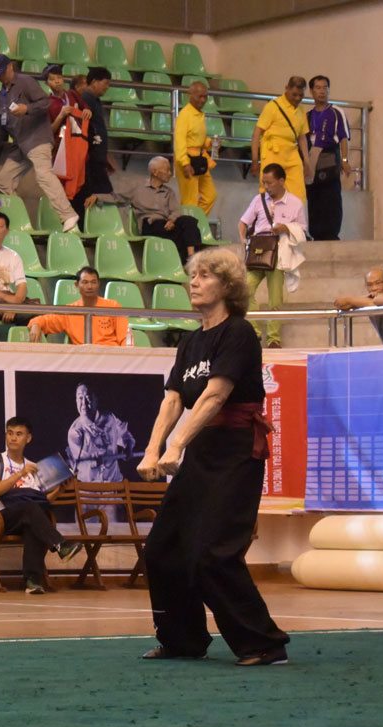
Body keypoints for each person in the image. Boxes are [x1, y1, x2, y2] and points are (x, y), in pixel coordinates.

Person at [137, 247, 290, 666]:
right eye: (194, 275)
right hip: (203, 451)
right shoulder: (191, 341)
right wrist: (152, 450)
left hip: (237, 452)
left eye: (205, 275)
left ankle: (263, 643)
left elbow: (215, 395)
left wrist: (175, 446)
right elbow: (173, 400)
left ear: (227, 286)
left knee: (215, 553)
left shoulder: (238, 333)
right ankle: (181, 639)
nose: (195, 281)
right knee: (163, 548)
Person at [0, 415, 82, 594]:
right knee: (30, 510)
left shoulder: (34, 466)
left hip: (27, 516)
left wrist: (60, 490)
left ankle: (32, 581)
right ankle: (60, 545)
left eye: (19, 434)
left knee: (34, 517)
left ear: (28, 438)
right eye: (10, 433)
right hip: (0, 518)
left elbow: (41, 501)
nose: (13, 438)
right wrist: (20, 474)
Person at [0, 54, 79, 232]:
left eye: (1, 72)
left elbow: (45, 102)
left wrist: (27, 109)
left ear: (10, 67)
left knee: (44, 174)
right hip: (21, 144)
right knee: (3, 180)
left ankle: (68, 215)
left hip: (37, 138)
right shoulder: (1, 98)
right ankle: (19, 220)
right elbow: (1, 125)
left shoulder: (25, 82)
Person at [238, 162, 307, 348]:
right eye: (264, 183)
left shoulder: (295, 203)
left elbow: (302, 230)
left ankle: (273, 339)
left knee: (275, 298)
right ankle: (254, 333)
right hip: (258, 249)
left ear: (281, 181)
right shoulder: (258, 200)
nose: (266, 187)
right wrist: (244, 241)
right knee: (244, 290)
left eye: (270, 183)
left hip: (279, 251)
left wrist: (285, 228)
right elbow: (243, 222)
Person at [94, 156, 202, 264]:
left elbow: (176, 210)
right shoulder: (138, 188)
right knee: (184, 235)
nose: (170, 173)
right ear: (155, 172)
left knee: (190, 221)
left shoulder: (169, 192)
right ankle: (192, 262)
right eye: (167, 170)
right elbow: (117, 197)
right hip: (150, 224)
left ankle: (191, 258)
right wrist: (97, 197)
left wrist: (172, 220)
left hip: (166, 224)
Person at [28, 265, 127, 346]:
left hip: (111, 358)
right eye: (85, 282)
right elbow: (45, 320)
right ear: (76, 285)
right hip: (84, 360)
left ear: (98, 284)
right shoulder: (70, 311)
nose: (89, 286)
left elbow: (124, 338)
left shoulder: (113, 306)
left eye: (93, 282)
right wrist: (36, 324)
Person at [250, 76, 312, 202]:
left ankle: (292, 221)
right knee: (269, 192)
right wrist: (255, 159)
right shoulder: (273, 106)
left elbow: (302, 137)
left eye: (301, 95)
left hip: (292, 153)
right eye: (294, 94)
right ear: (286, 88)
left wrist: (306, 161)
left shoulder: (301, 110)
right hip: (273, 152)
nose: (297, 98)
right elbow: (256, 134)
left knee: (299, 195)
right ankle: (267, 220)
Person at [306, 75, 351, 241]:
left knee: (330, 197)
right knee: (314, 196)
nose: (322, 91)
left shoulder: (336, 112)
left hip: (329, 156)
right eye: (318, 88)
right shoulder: (308, 115)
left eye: (325, 87)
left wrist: (345, 161)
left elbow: (344, 138)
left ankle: (331, 233)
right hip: (312, 159)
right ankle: (316, 233)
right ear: (311, 91)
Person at [66, 383, 135, 484]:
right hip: (89, 490)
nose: (83, 403)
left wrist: (128, 447)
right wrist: (95, 459)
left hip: (114, 487)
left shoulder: (110, 419)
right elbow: (83, 460)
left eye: (88, 397)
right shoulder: (74, 431)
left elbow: (125, 435)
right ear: (76, 401)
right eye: (80, 398)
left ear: (95, 399)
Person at [72, 67, 116, 223]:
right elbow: (88, 130)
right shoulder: (85, 99)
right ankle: (85, 226)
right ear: (95, 81)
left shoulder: (94, 100)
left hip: (97, 156)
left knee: (98, 194)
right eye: (105, 83)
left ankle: (92, 225)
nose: (107, 87)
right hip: (89, 158)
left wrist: (104, 155)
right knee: (88, 195)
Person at [44, 64, 90, 199]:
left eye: (59, 77)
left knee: (77, 182)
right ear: (47, 83)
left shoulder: (72, 94)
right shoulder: (47, 102)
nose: (57, 81)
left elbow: (85, 107)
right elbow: (50, 130)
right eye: (52, 79)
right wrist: (61, 116)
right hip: (59, 148)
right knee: (60, 184)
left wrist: (87, 110)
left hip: (76, 144)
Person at [174, 80, 217, 215]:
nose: (203, 100)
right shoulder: (185, 115)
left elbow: (198, 138)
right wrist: (185, 163)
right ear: (190, 95)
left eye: (205, 96)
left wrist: (210, 143)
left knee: (210, 196)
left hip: (200, 158)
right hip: (187, 159)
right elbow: (179, 141)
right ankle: (188, 228)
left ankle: (197, 223)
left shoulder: (199, 114)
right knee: (189, 200)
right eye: (200, 96)